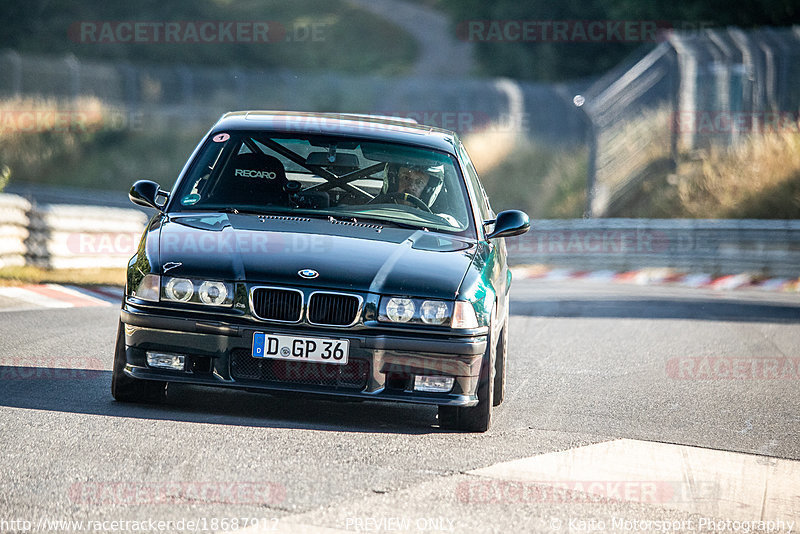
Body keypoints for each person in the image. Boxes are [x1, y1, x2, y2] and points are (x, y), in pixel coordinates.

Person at [371, 162, 444, 210]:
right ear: (393, 181)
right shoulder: (372, 212)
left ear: (427, 191)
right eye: (406, 178)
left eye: (419, 182)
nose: (411, 187)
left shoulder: (437, 224)